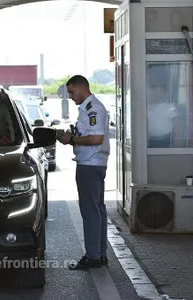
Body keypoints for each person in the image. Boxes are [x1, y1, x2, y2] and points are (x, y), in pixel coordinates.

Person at [57, 75, 110, 270]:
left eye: (71, 92)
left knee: (90, 210)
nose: (70, 96)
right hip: (94, 163)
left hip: (90, 164)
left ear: (82, 88)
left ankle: (93, 256)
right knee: (98, 209)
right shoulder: (89, 108)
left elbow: (96, 139)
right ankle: (100, 253)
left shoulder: (92, 108)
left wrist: (70, 140)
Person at [147, 83, 180, 148]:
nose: (157, 93)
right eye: (155, 91)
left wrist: (176, 141)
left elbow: (176, 124)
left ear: (164, 94)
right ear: (151, 93)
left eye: (160, 91)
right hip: (150, 141)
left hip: (165, 141)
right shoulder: (147, 106)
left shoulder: (170, 106)